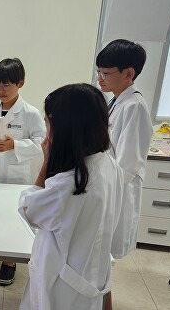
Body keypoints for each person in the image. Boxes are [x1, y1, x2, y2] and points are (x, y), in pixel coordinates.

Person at [18, 83, 124, 309]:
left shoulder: (69, 183)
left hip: (62, 285)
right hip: (89, 277)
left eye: (48, 124)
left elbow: (29, 209)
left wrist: (46, 162)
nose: (46, 132)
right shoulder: (108, 165)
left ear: (64, 128)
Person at [0, 58, 45, 285]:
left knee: (13, 217)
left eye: (6, 85)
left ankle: (9, 261)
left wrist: (15, 145)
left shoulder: (30, 113)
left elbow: (41, 142)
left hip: (15, 174)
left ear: (20, 83)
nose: (1, 91)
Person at [96, 39, 152, 309]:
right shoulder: (117, 101)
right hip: (108, 186)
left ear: (129, 73)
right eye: (99, 71)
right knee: (100, 261)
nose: (100, 78)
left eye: (106, 73)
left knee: (103, 261)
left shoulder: (134, 107)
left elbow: (127, 164)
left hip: (116, 192)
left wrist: (100, 189)